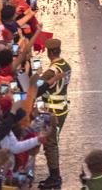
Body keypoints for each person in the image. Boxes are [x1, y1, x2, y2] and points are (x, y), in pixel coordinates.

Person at [37, 39, 71, 189]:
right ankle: (54, 175)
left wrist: (38, 77)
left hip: (52, 111)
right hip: (62, 108)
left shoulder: (52, 71)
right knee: (52, 142)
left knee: (50, 144)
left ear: (49, 52)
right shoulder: (66, 65)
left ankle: (55, 176)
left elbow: (37, 89)